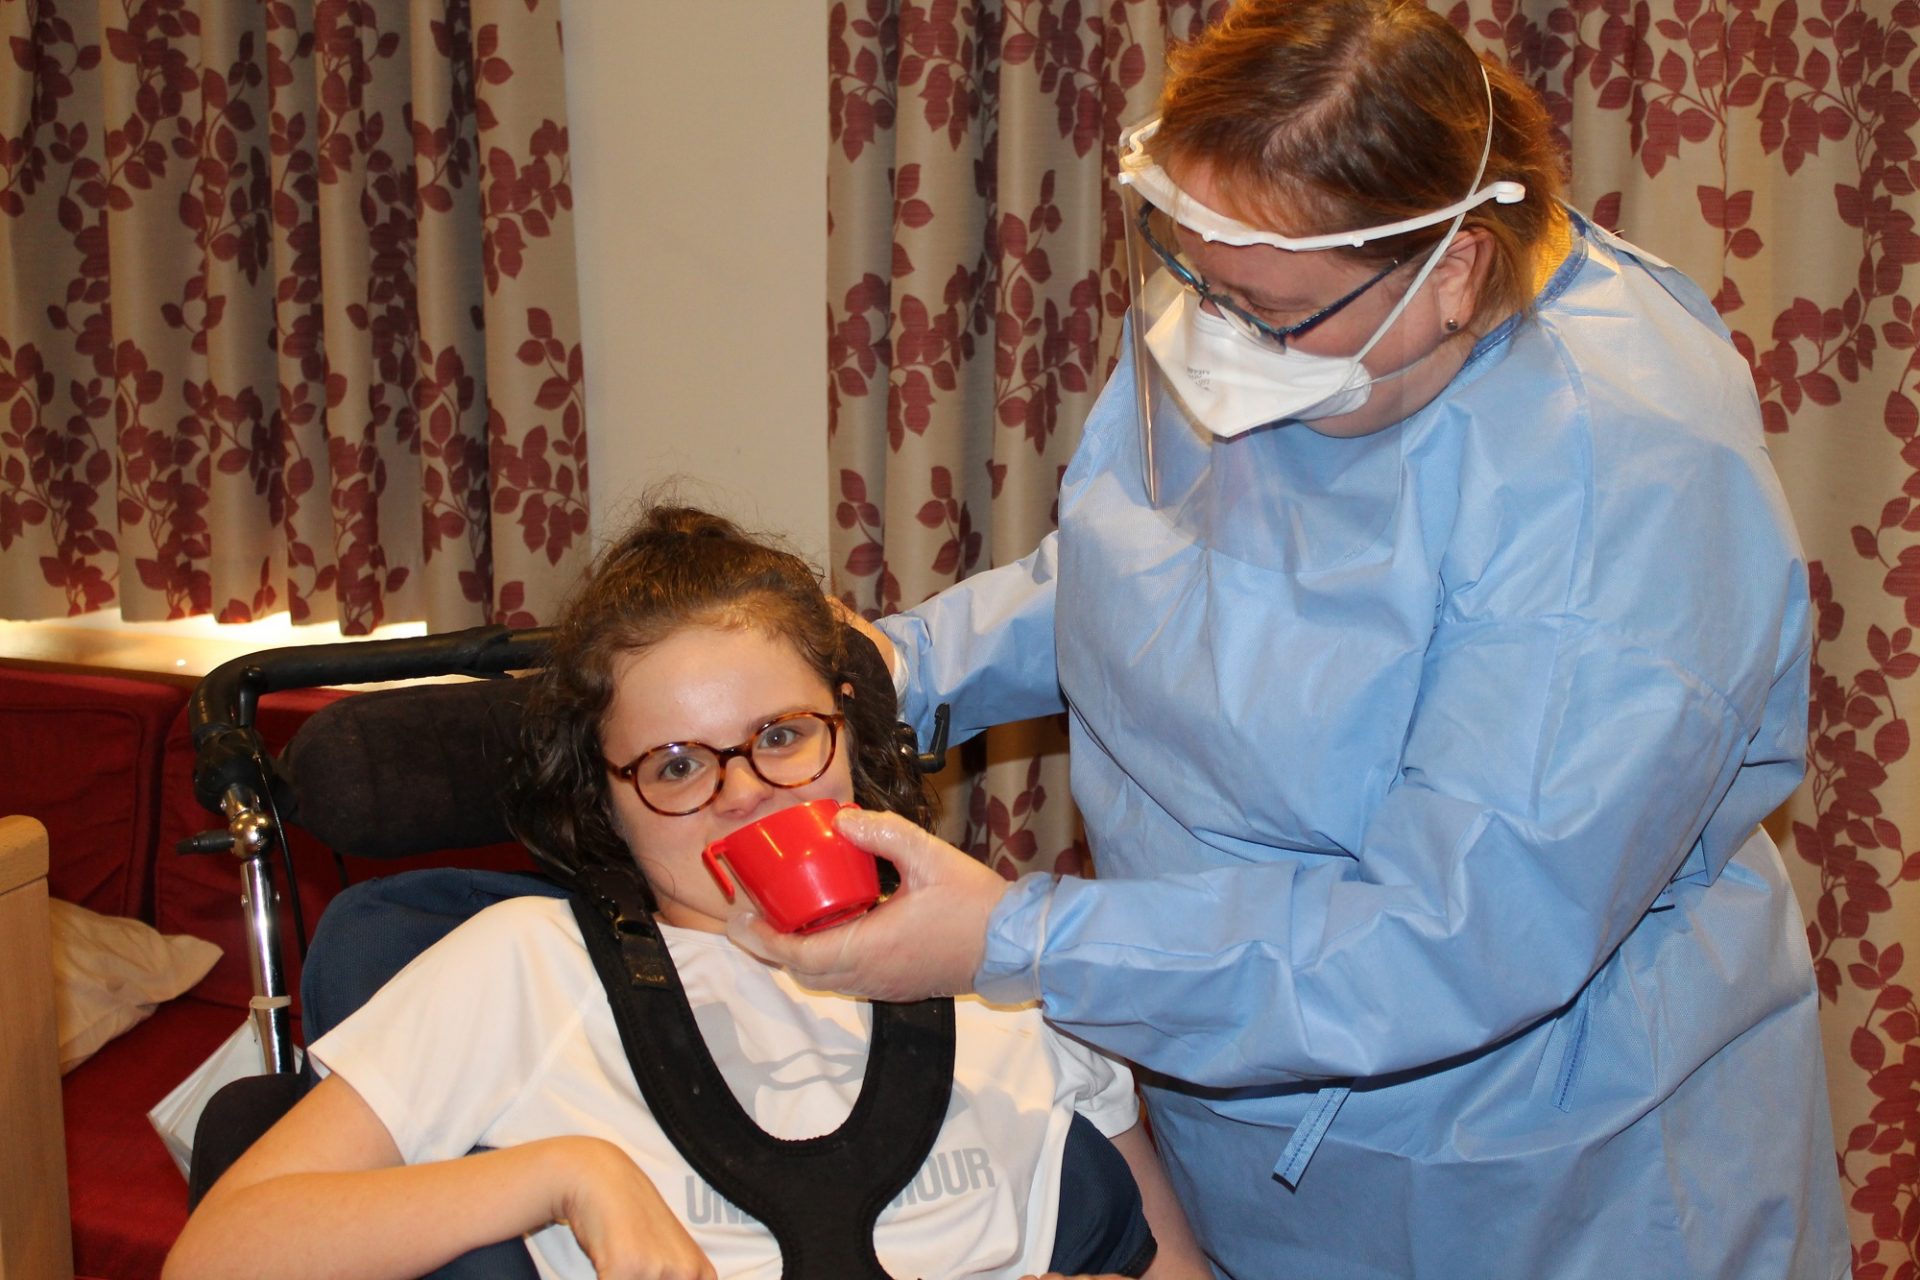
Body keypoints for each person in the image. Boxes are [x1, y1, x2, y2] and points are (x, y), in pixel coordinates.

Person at [730, 2, 1853, 1277]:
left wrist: (1023, 942)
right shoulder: (1282, 304)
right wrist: (901, 666)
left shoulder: (1619, 484)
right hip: (1245, 1112)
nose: (1210, 336)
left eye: (1262, 309)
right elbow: (1150, 572)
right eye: (1194, 273)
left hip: (1543, 1174)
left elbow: (1454, 928)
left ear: (1453, 275)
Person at [164, 507, 1209, 1280]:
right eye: (675, 766)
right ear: (604, 798)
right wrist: (569, 1174)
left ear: (850, 729)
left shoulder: (996, 955)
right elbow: (218, 1254)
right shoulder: (525, 967)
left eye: (782, 737)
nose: (745, 794)